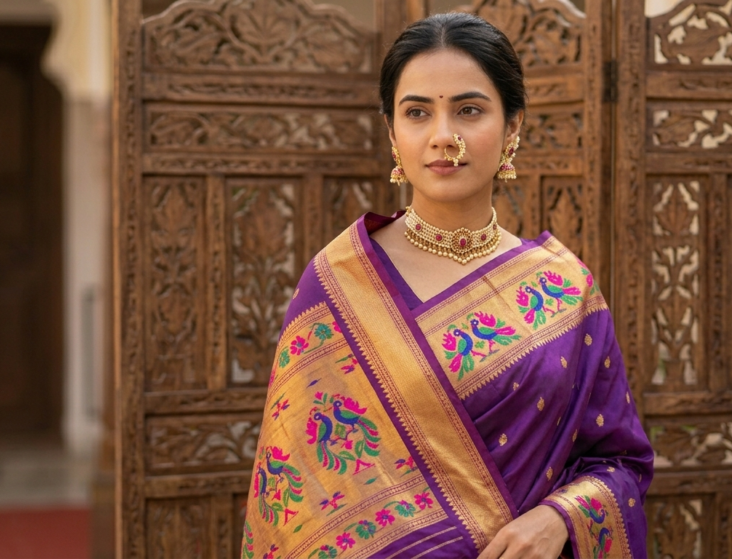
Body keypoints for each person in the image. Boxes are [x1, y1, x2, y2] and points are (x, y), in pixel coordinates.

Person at [242, 13, 653, 559]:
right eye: (417, 113)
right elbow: (296, 501)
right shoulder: (338, 283)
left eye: (468, 110)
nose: (443, 137)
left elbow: (620, 462)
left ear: (512, 127)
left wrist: (559, 518)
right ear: (392, 132)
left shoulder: (563, 289)